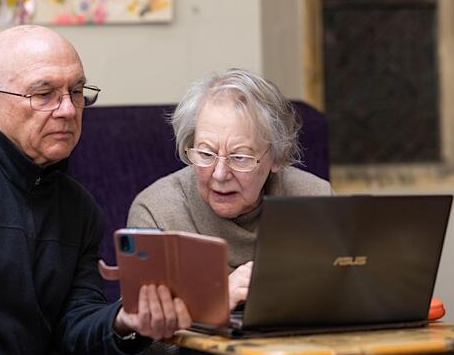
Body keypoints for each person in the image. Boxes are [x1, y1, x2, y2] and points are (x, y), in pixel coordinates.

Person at [0, 25, 191, 355]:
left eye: (76, 90)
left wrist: (121, 320)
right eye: (44, 94)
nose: (69, 110)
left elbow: (75, 326)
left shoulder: (80, 208)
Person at [128, 68, 332, 310]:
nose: (220, 174)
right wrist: (216, 302)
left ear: (277, 157)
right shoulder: (156, 214)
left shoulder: (316, 201)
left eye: (240, 157)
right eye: (205, 153)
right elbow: (145, 342)